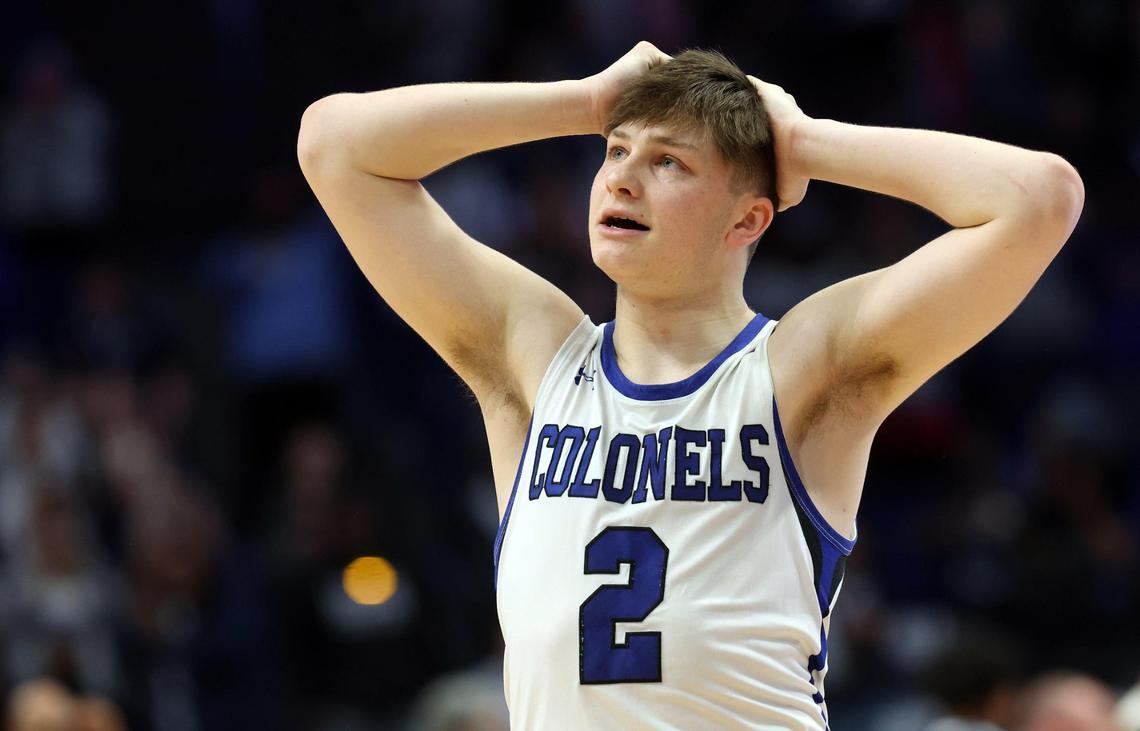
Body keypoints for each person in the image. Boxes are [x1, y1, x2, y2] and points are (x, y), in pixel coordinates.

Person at [297, 41, 1083, 730]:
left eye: (668, 161)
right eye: (615, 152)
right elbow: (332, 142)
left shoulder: (800, 369)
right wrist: (585, 100)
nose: (623, 180)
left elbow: (1039, 197)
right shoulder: (534, 357)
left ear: (747, 221)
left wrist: (805, 141)